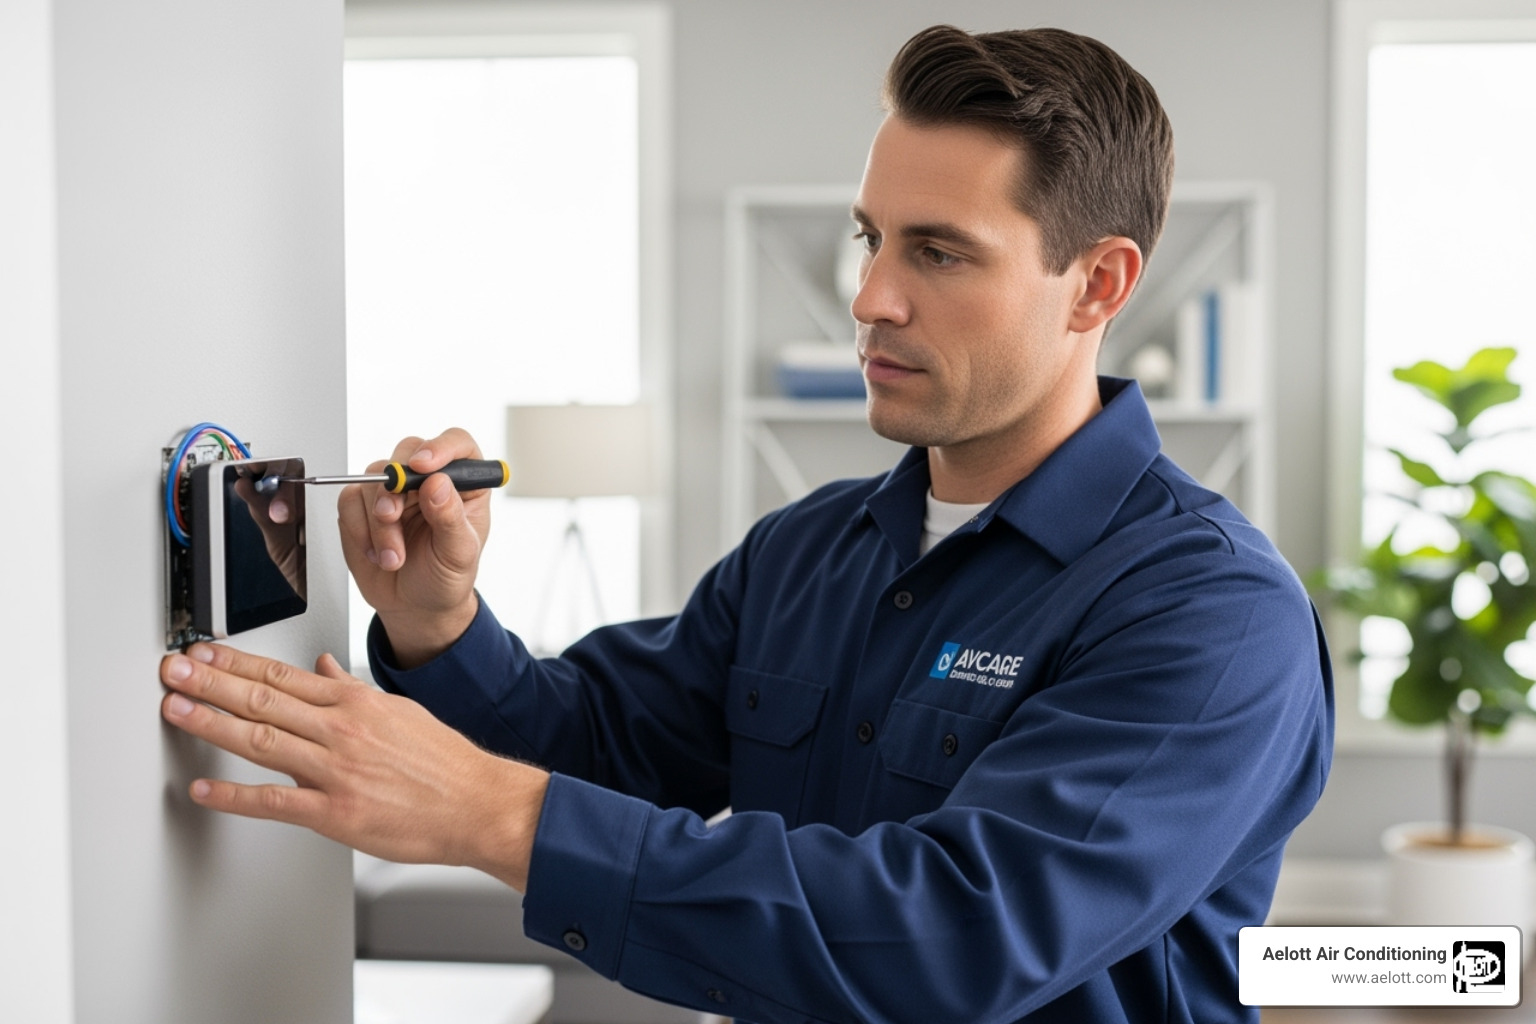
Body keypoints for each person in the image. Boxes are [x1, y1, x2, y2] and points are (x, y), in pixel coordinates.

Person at [159, 24, 1333, 1024]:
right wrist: (438, 621)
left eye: (939, 252)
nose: (870, 298)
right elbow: (601, 744)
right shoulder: (808, 550)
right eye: (872, 238)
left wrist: (489, 812)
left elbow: (958, 932)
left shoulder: (1216, 614)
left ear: (1099, 284)